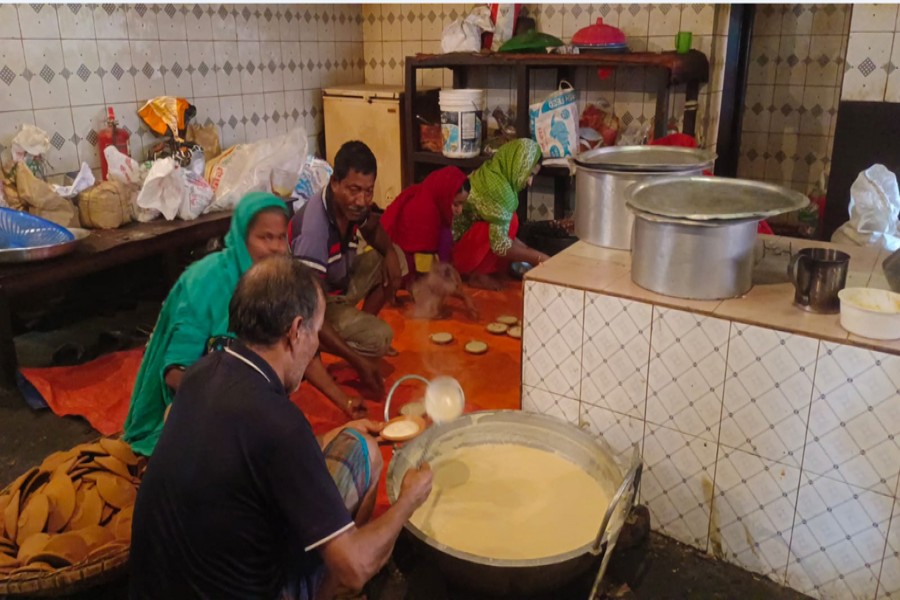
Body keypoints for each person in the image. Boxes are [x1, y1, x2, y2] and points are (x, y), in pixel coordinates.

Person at [130, 256, 433, 600]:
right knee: (365, 464)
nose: (316, 346)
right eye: (317, 332)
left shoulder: (203, 372)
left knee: (354, 442)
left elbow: (249, 452)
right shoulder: (280, 423)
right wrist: (408, 499)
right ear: (296, 331)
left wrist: (331, 436)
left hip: (157, 587)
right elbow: (355, 567)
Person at [123, 192, 362, 458]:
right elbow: (174, 373)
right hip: (196, 409)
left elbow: (298, 345)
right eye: (265, 237)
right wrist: (240, 410)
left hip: (243, 398)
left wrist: (345, 401)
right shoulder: (205, 282)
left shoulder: (273, 282)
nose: (276, 248)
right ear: (241, 236)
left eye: (281, 237)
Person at [289, 141, 406, 400]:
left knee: (396, 257)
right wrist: (358, 362)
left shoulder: (351, 207)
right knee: (380, 338)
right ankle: (319, 350)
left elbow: (372, 229)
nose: (361, 200)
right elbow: (308, 312)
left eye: (368, 191)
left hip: (338, 282)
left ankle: (357, 329)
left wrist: (389, 253)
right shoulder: (314, 230)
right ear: (335, 183)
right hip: (314, 304)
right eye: (354, 190)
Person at [451, 138, 551, 290]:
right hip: (453, 255)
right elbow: (500, 245)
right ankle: (478, 275)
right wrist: (540, 259)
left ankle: (481, 270)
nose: (530, 182)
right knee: (510, 221)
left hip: (455, 248)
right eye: (529, 174)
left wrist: (531, 253)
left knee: (507, 220)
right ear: (518, 165)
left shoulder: (491, 173)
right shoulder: (500, 192)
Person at [380, 166, 469, 286]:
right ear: (445, 196)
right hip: (399, 268)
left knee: (446, 236)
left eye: (462, 204)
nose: (460, 210)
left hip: (415, 263)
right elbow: (422, 268)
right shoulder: (425, 211)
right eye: (456, 204)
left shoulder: (431, 197)